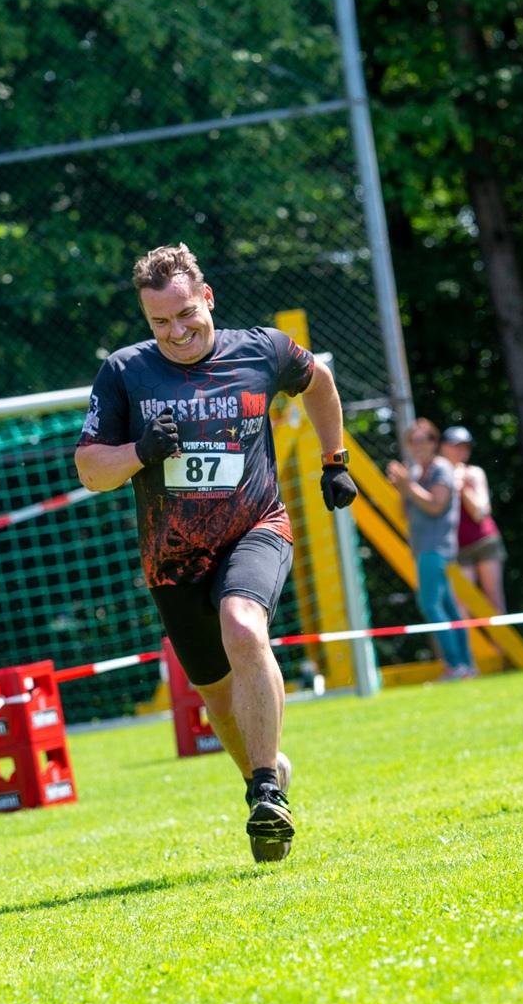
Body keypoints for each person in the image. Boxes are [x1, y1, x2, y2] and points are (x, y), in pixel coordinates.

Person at [74, 243, 355, 862]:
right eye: (160, 322)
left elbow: (320, 382)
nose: (176, 332)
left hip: (255, 527)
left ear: (207, 298)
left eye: (185, 315)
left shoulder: (263, 350)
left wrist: (334, 460)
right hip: (171, 559)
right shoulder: (124, 372)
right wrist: (140, 452)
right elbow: (90, 470)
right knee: (219, 702)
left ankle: (266, 791)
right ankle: (265, 778)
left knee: (243, 624)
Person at [386, 419, 478, 680]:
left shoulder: (442, 469)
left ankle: (456, 665)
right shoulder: (416, 473)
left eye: (422, 440)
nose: (417, 446)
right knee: (449, 608)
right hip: (423, 548)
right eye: (412, 441)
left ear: (434, 442)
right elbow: (405, 513)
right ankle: (466, 666)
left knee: (429, 605)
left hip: (436, 547)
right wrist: (402, 488)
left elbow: (436, 505)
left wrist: (408, 486)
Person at [440, 425, 508, 613]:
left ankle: (499, 635)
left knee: (493, 599)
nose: (461, 451)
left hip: (484, 542)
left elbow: (480, 513)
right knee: (463, 604)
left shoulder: (474, 473)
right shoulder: (437, 475)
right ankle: (469, 635)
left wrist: (462, 488)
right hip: (457, 548)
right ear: (443, 447)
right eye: (456, 446)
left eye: (465, 446)